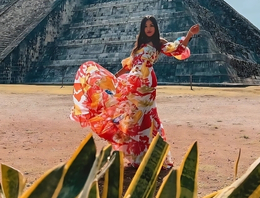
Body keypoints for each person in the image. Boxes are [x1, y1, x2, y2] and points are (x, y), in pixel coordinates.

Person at [70, 16, 200, 168]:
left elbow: (177, 49)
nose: (149, 28)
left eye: (151, 25)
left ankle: (156, 156)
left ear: (155, 27)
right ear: (142, 28)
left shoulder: (159, 43)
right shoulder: (139, 46)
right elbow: (129, 66)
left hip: (146, 85)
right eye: (146, 26)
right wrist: (115, 76)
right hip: (131, 84)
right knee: (131, 119)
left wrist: (190, 34)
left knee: (148, 119)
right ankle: (135, 157)